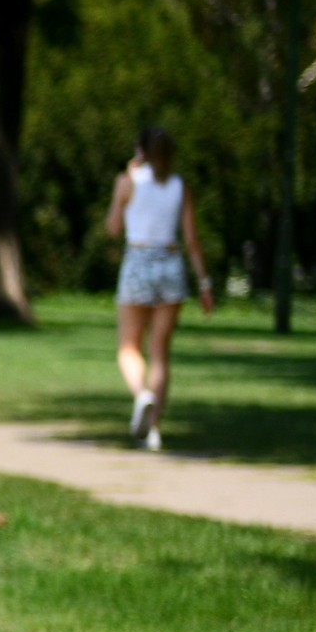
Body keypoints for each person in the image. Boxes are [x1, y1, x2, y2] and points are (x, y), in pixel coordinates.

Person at [103, 126, 214, 451]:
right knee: (160, 352)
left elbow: (112, 228)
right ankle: (153, 431)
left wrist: (123, 182)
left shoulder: (128, 182)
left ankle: (142, 395)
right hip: (170, 263)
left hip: (138, 260)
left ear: (142, 152)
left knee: (128, 347)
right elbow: (192, 240)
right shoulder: (180, 186)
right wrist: (204, 282)